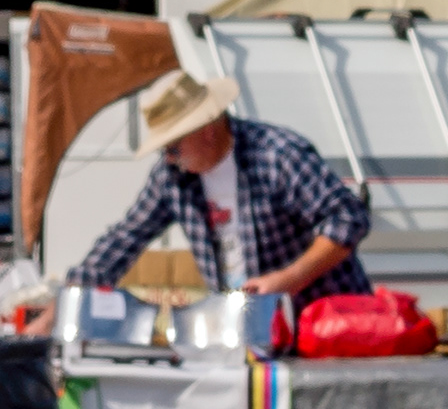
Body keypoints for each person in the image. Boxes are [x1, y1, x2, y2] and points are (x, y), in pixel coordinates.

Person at [70, 70, 373, 300]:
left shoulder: (276, 155)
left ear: (206, 131)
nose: (168, 157)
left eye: (173, 146)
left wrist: (291, 278)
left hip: (326, 323)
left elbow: (348, 217)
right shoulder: (172, 176)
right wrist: (69, 297)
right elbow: (126, 237)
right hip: (251, 327)